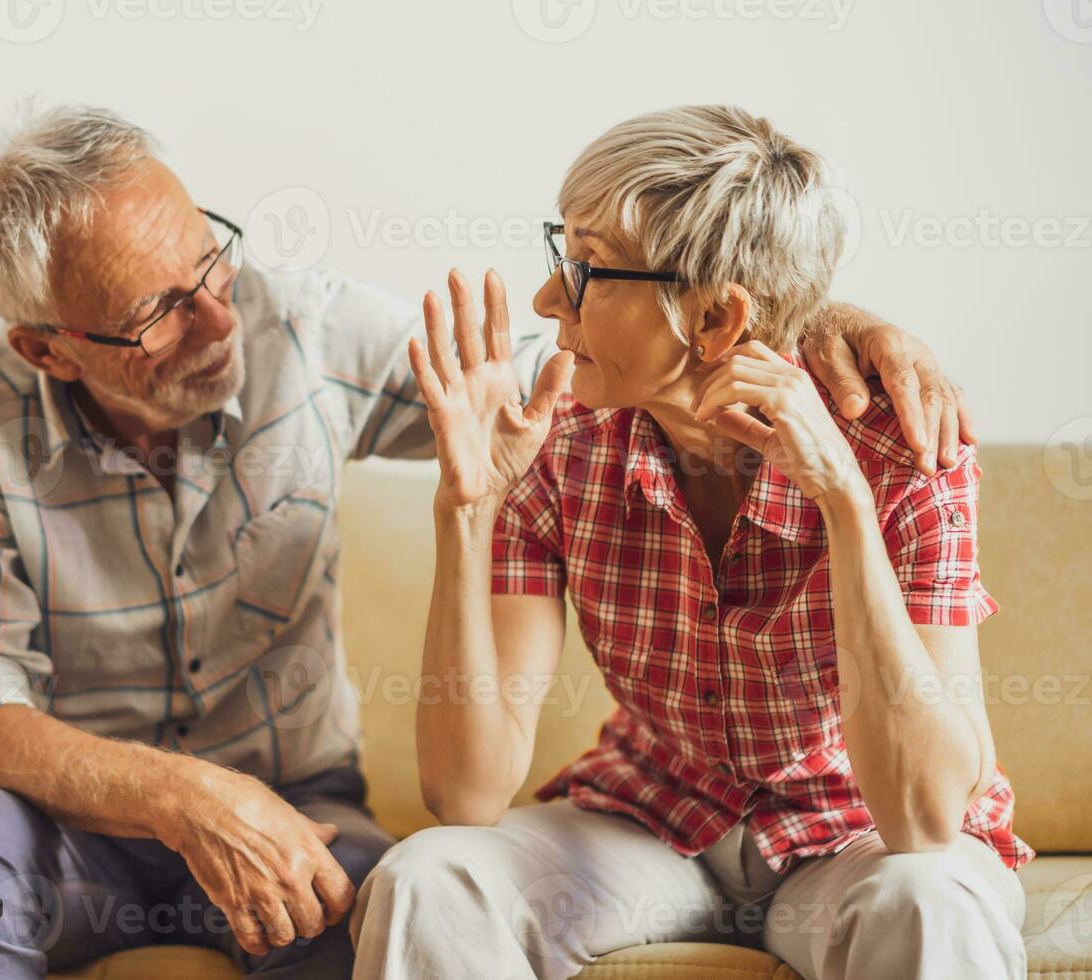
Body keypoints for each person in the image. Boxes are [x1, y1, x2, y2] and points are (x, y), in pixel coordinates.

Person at [0, 103, 979, 979]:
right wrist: (187, 795)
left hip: (302, 813)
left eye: (212, 258)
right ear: (48, 346)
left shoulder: (300, 329)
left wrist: (827, 323)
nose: (221, 315)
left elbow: (569, 366)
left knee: (361, 885)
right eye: (160, 308)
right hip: (81, 825)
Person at [349, 105, 1030, 980]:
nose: (549, 297)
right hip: (654, 822)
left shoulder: (906, 447)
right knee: (426, 879)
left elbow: (926, 821)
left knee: (930, 900)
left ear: (715, 321)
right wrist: (465, 510)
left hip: (856, 834)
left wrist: (845, 504)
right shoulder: (559, 439)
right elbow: (465, 795)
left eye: (588, 267)